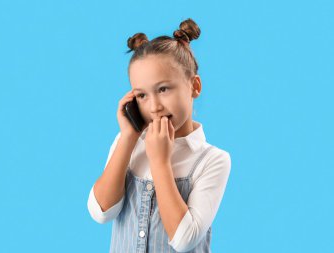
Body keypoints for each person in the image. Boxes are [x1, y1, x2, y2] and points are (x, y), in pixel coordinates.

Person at [87, 18, 231, 253]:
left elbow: (184, 239)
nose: (154, 106)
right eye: (142, 95)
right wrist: (128, 138)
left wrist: (160, 161)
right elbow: (101, 212)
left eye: (163, 89)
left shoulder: (212, 160)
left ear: (194, 86)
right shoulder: (128, 143)